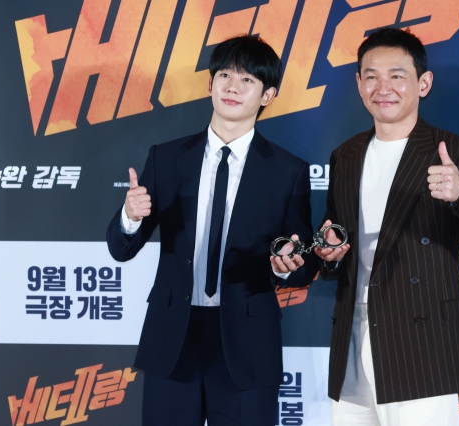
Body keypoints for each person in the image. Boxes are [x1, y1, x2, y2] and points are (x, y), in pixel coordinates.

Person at [106, 35, 317, 426]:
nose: (232, 87)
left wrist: (286, 265)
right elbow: (121, 249)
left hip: (247, 342)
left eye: (247, 80)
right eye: (224, 75)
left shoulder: (287, 171)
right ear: (210, 84)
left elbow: (303, 263)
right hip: (174, 338)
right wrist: (129, 216)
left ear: (268, 94)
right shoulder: (166, 158)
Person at [314, 28, 459, 425]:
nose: (382, 87)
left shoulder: (454, 151)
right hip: (352, 340)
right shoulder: (346, 155)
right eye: (370, 76)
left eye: (397, 75)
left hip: (421, 346)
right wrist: (329, 253)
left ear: (423, 83)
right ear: (358, 83)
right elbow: (335, 243)